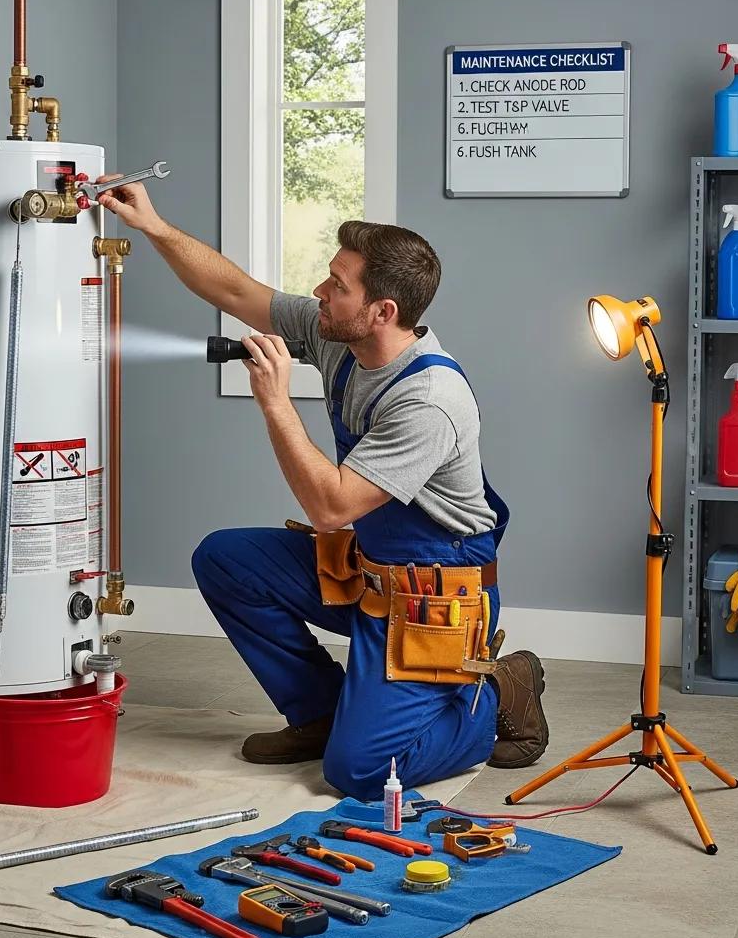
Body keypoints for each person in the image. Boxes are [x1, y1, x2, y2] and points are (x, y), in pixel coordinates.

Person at [96, 175, 549, 801]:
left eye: (338, 285)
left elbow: (330, 506)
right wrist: (154, 226)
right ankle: (321, 714)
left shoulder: (429, 400)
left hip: (433, 595)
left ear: (382, 312)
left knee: (360, 774)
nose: (320, 293)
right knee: (226, 559)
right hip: (368, 572)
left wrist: (276, 402)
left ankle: (500, 688)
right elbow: (234, 290)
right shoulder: (340, 336)